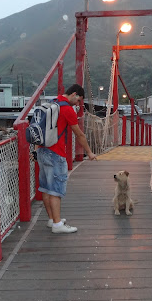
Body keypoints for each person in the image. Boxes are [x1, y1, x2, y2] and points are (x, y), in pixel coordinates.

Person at [36, 84, 97, 234]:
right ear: (74, 94)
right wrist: (89, 152)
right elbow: (79, 134)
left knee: (46, 188)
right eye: (78, 101)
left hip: (42, 150)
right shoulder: (67, 109)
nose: (78, 104)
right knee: (56, 190)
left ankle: (52, 220)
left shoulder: (52, 102)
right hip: (56, 153)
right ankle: (57, 225)